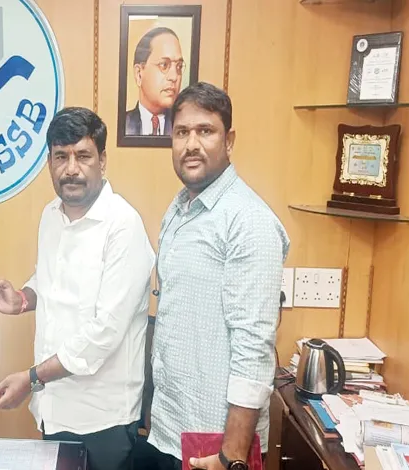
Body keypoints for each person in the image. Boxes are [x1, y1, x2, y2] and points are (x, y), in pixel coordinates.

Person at [0, 107, 156, 470]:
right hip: (53, 409)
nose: (71, 168)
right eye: (61, 157)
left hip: (102, 420)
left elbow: (104, 333)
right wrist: (23, 299)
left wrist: (31, 378)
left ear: (102, 161)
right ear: (49, 163)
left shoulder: (123, 226)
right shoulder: (51, 215)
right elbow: (48, 279)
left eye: (83, 156)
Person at [143, 82, 290, 470]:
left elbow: (254, 344)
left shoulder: (249, 221)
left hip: (217, 443)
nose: (191, 144)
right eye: (181, 132)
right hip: (171, 426)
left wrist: (233, 455)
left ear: (229, 141)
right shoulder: (179, 209)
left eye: (205, 131)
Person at [125, 27, 184, 136]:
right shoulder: (122, 125)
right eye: (164, 65)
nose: (174, 77)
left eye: (179, 66)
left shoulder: (184, 127)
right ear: (139, 74)